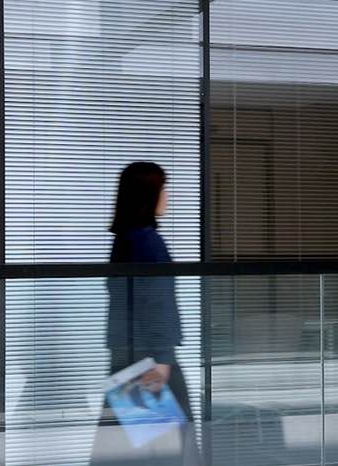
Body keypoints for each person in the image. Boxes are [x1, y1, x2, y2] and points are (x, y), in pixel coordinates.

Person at [90, 162, 201, 466]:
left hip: (128, 357)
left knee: (127, 452)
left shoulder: (124, 240)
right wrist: (162, 359)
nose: (167, 196)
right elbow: (156, 302)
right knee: (165, 452)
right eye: (163, 188)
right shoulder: (147, 242)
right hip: (149, 362)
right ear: (148, 194)